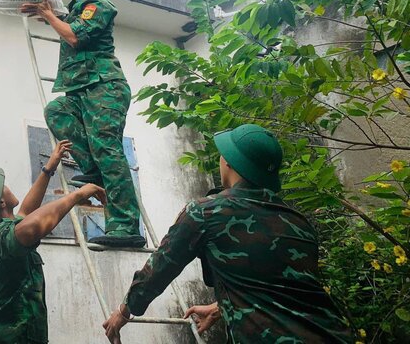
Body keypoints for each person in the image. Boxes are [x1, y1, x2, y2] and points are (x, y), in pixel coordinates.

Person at [102, 124, 355, 343]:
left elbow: (159, 269)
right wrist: (220, 307)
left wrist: (123, 312)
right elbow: (284, 289)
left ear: (229, 162)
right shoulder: (299, 223)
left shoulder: (206, 213)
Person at [20, 0, 145, 249]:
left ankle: (125, 225)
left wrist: (49, 16)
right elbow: (68, 16)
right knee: (56, 111)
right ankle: (91, 168)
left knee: (108, 148)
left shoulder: (99, 3)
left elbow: (76, 36)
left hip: (104, 87)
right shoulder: (80, 6)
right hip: (82, 90)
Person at [0, 140, 106, 343]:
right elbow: (31, 228)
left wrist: (48, 169)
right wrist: (76, 196)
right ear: (1, 202)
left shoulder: (1, 234)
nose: (7, 185)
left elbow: (27, 211)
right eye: (3, 186)